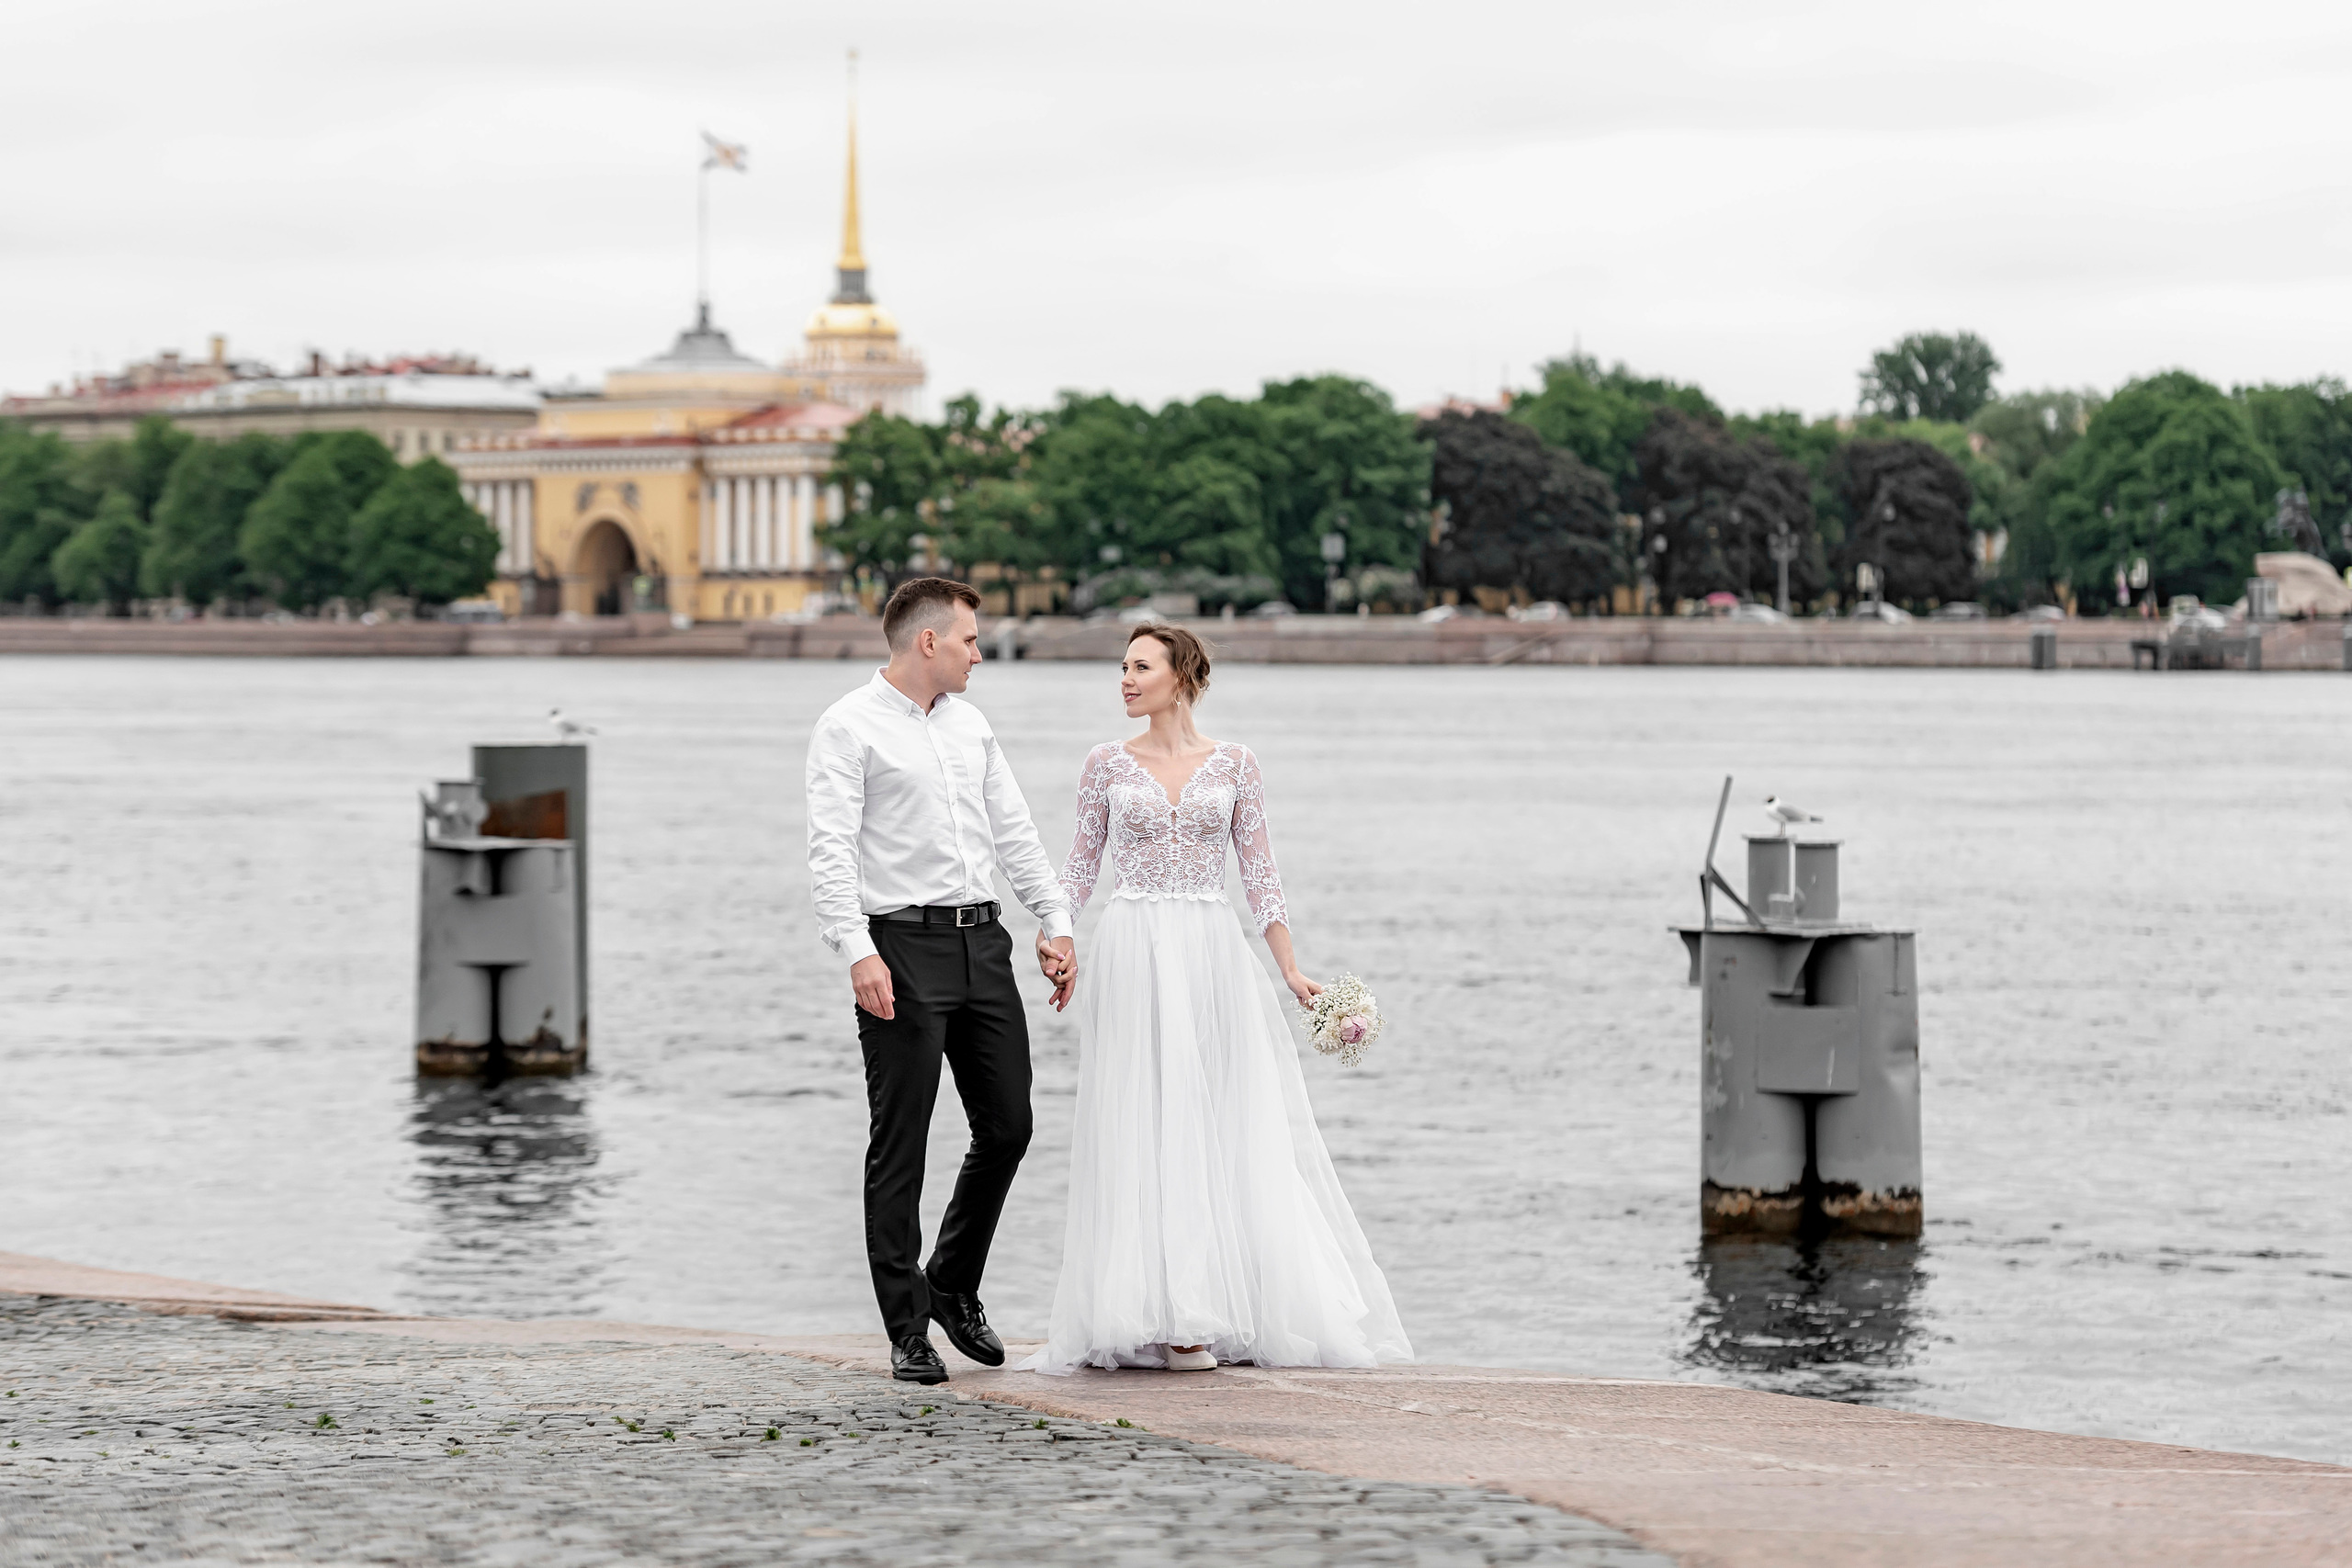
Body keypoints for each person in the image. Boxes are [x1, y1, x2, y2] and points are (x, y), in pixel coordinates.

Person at [1022, 623, 1411, 1373]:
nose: (1125, 679)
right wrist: (1057, 936)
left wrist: (1292, 972)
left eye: (1140, 666)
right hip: (1133, 947)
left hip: (1211, 950)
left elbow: (1262, 875)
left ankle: (1207, 1308)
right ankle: (1158, 1313)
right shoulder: (1104, 764)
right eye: (1123, 666)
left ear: (1181, 675)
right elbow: (1078, 866)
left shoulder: (1236, 763)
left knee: (1218, 1119)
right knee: (1142, 1121)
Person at [805, 578, 1077, 1385]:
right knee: (903, 1142)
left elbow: (1015, 829)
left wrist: (1054, 918)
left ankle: (951, 1282)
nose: (979, 652)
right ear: (928, 641)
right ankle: (906, 1328)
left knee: (1010, 1124)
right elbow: (830, 849)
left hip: (981, 942)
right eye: (969, 639)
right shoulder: (847, 726)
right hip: (900, 948)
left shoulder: (972, 726)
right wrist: (858, 951)